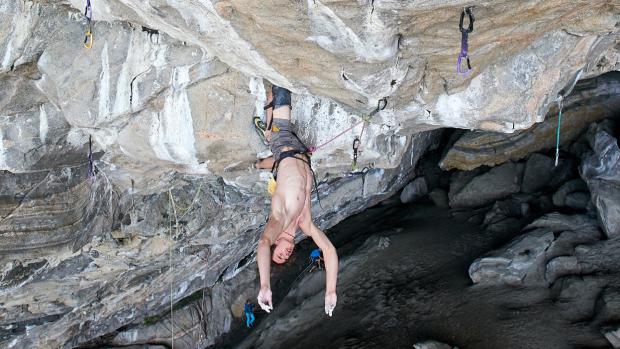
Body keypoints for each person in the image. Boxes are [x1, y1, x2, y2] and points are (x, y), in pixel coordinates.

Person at [255, 85, 339, 317]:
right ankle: (269, 107)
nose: (286, 254)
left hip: (283, 148)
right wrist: (330, 290)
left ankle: (271, 93)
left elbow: (262, 243)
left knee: (282, 91)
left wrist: (265, 286)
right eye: (287, 257)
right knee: (274, 124)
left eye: (279, 254)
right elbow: (329, 249)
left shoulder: (278, 218)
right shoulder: (305, 223)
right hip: (301, 153)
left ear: (276, 244)